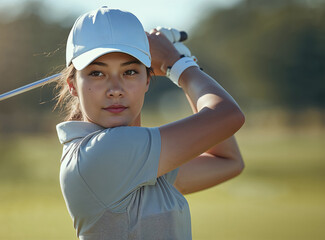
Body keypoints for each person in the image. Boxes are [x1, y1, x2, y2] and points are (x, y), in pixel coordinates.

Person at [54, 6, 245, 240]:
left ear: (148, 79)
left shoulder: (139, 161)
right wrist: (179, 65)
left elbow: (227, 161)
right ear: (72, 85)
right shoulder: (104, 153)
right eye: (97, 73)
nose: (115, 90)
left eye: (130, 72)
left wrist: (179, 63)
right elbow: (228, 116)